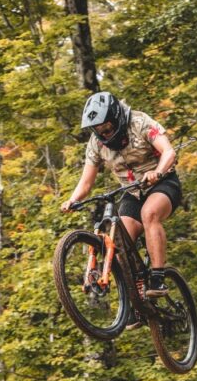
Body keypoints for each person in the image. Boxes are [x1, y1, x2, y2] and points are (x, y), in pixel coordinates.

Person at [61, 91, 180, 301]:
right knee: (120, 240)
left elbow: (169, 152)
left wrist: (158, 172)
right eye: (98, 131)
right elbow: (86, 182)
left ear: (116, 118)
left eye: (106, 128)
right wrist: (73, 199)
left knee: (149, 213)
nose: (104, 134)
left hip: (162, 183)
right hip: (132, 191)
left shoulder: (139, 122)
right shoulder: (96, 144)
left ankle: (158, 277)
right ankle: (134, 297)